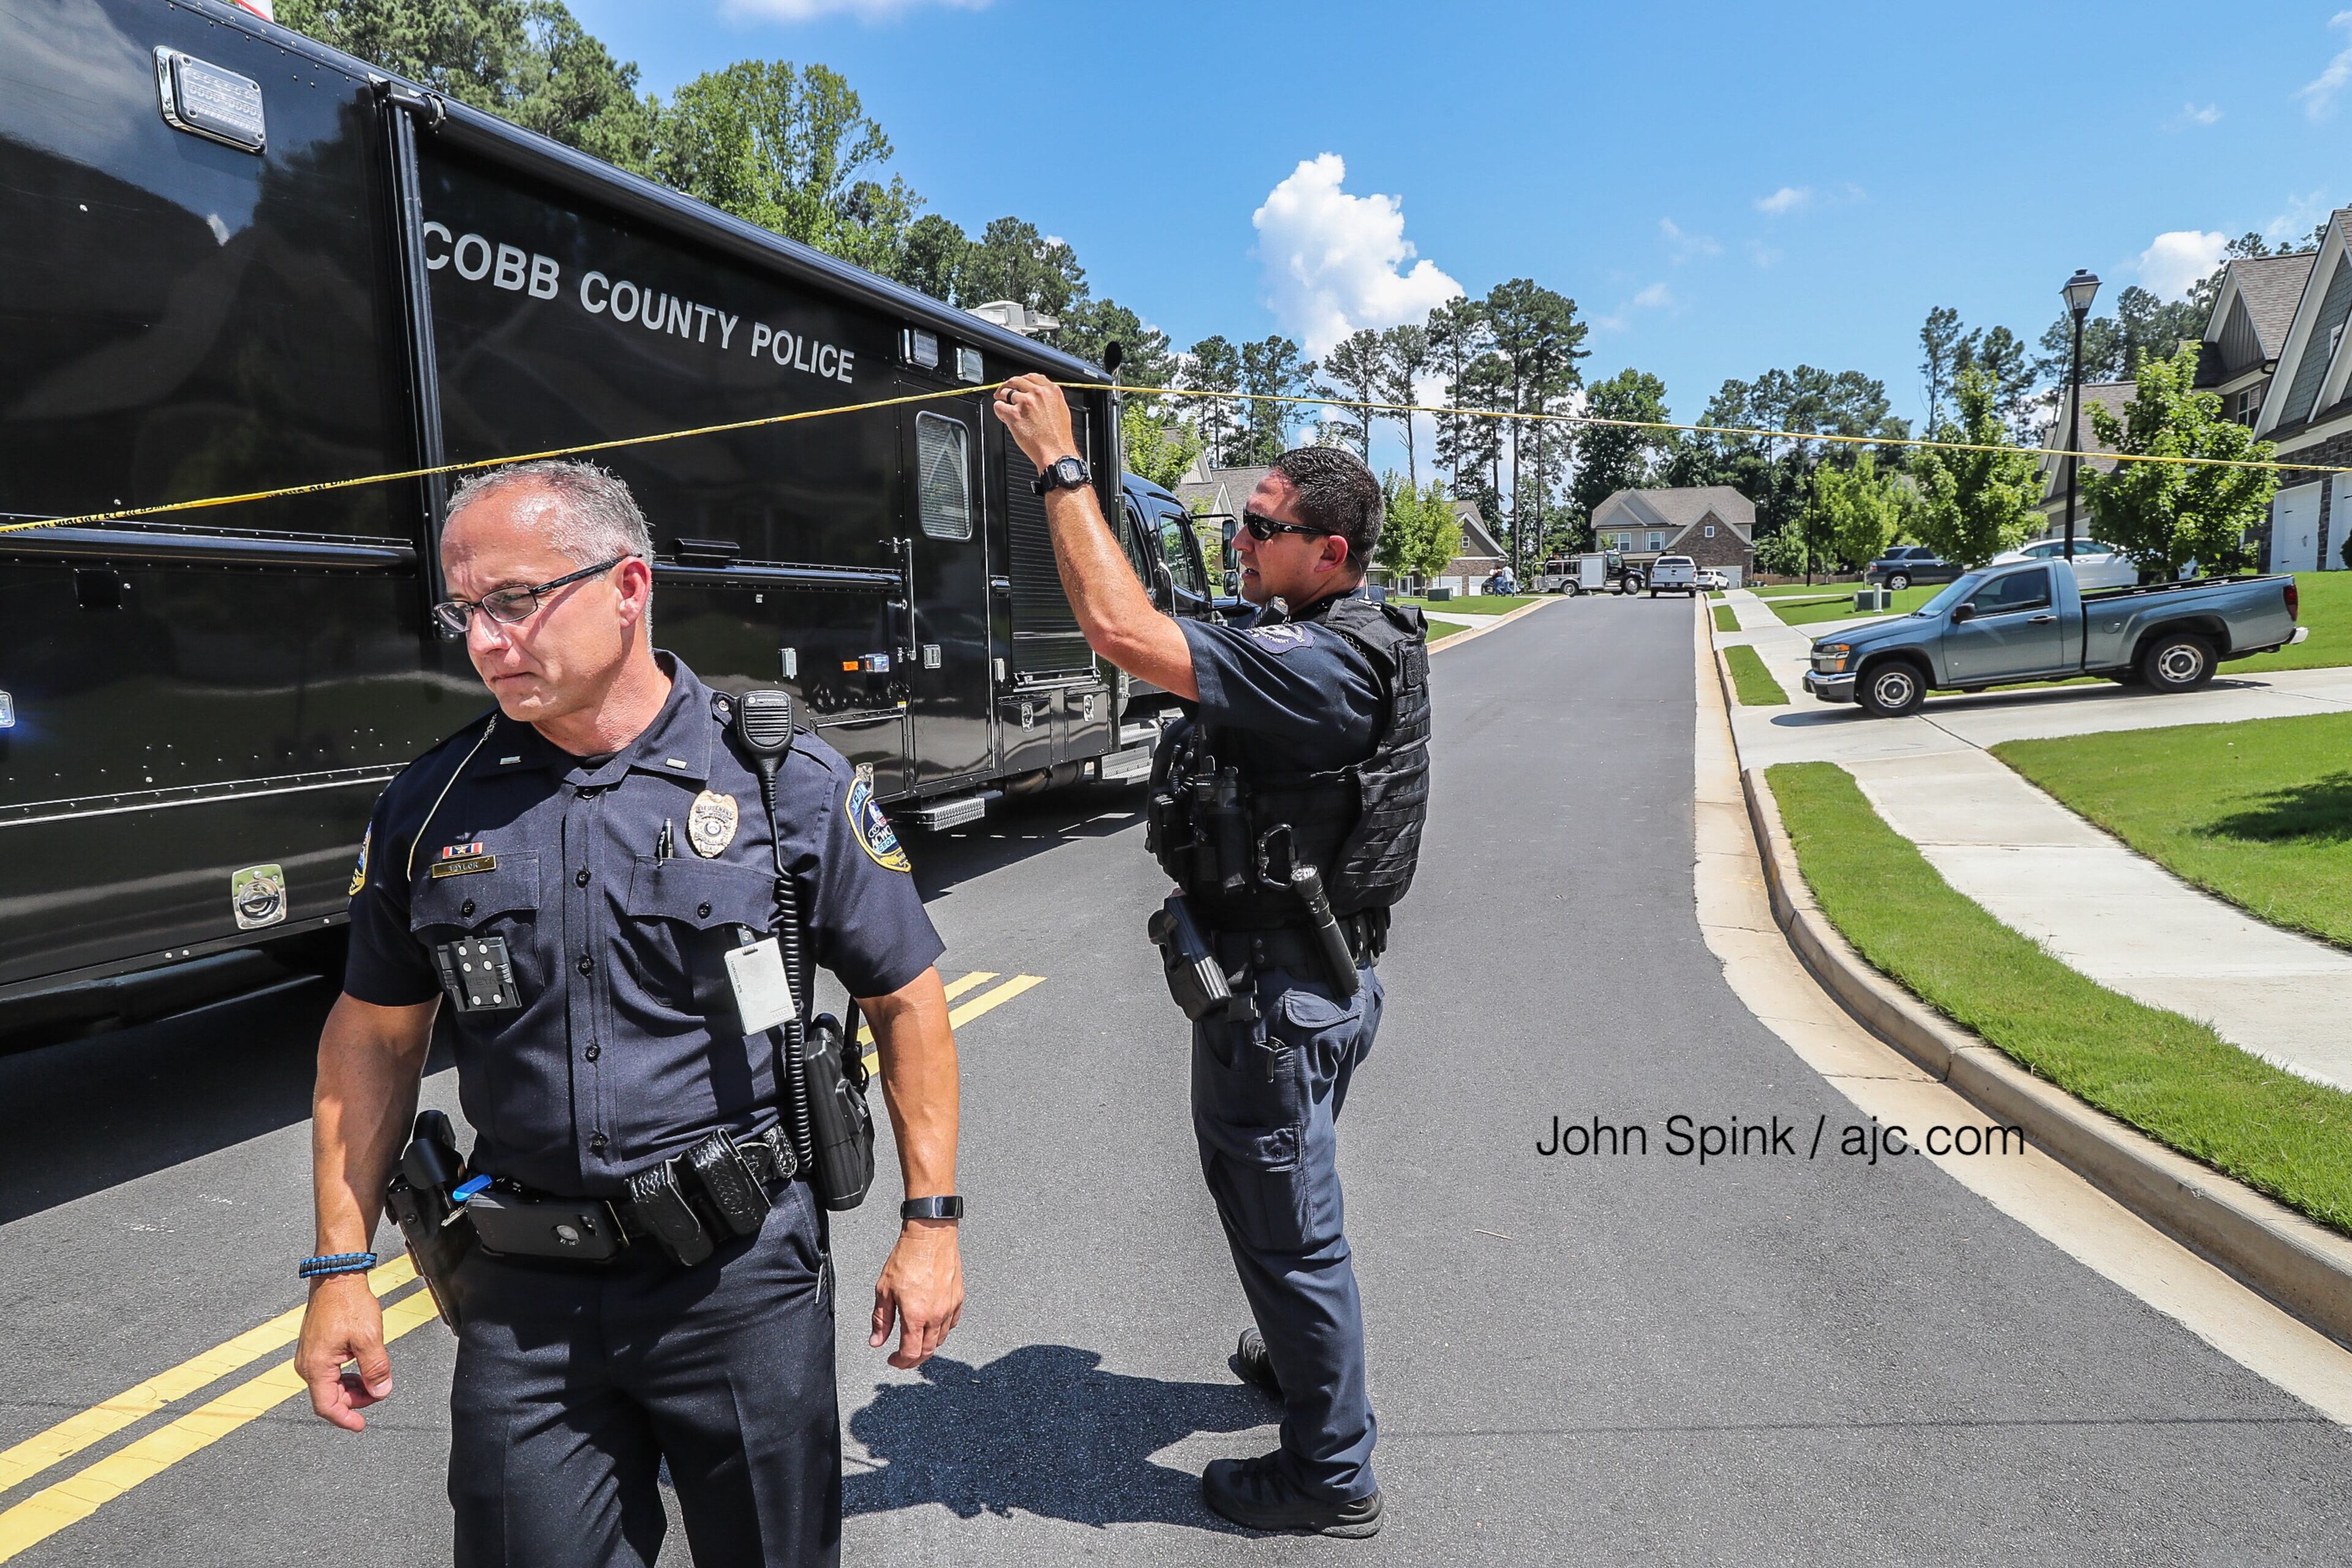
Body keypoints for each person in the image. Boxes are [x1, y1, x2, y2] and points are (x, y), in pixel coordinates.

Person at [293, 459, 965, 1568]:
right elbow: (373, 1037)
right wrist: (337, 1270)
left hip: (737, 1287)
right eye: (466, 610)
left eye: (515, 601)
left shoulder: (777, 776)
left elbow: (903, 998)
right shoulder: (432, 805)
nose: (487, 641)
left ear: (628, 586)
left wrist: (931, 1225)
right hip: (521, 1302)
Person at [992, 377, 1430, 1539]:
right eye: (1240, 519)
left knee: (1293, 1236)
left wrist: (1060, 465)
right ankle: (1298, 1369)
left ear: (1329, 552)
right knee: (1280, 1214)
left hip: (1283, 1003)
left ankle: (1331, 1474)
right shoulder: (1328, 634)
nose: (1239, 537)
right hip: (1314, 983)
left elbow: (1121, 634)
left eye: (1263, 528)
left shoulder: (1328, 669)